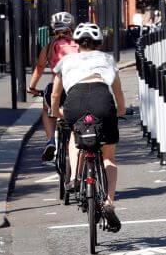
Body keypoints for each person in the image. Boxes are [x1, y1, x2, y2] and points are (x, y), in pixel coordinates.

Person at [51, 23, 126, 233]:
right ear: (99, 42)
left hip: (75, 101)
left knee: (75, 139)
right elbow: (118, 92)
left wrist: (56, 112)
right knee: (108, 156)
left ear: (76, 43)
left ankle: (75, 177)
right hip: (102, 99)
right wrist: (120, 111)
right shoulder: (108, 59)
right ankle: (109, 202)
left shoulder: (66, 61)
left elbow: (55, 95)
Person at [28, 12, 80, 162]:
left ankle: (51, 140)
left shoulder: (49, 46)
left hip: (57, 90)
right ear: (72, 26)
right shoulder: (80, 43)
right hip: (77, 88)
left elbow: (39, 68)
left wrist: (32, 87)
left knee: (47, 109)